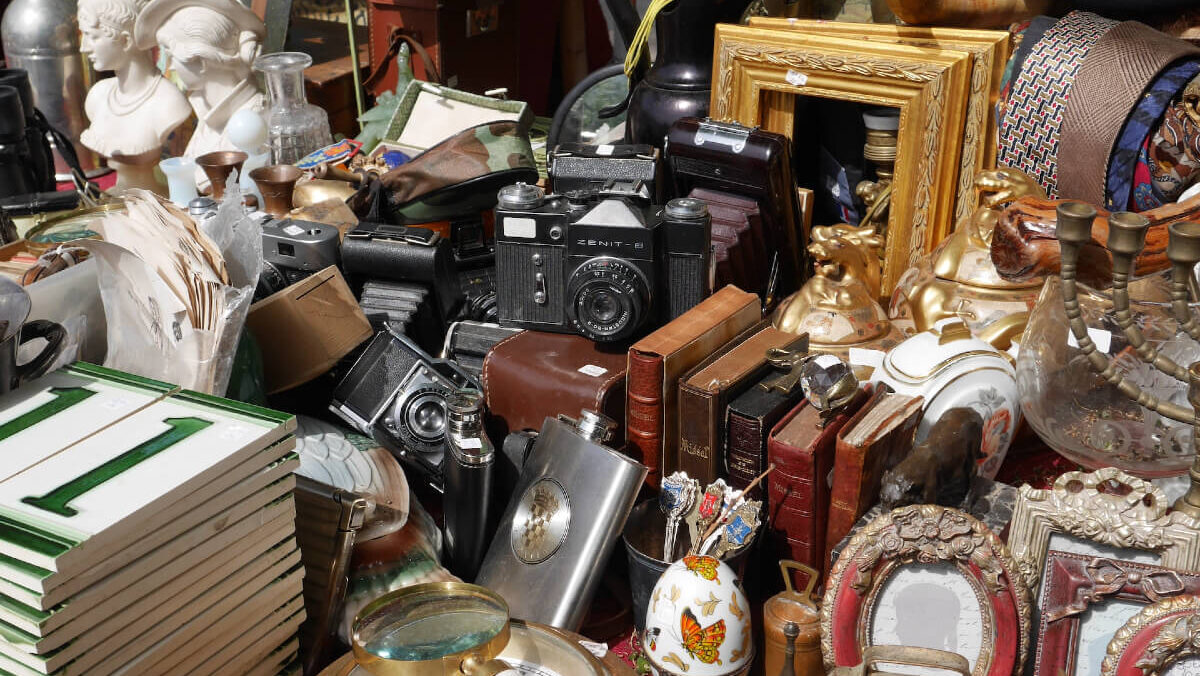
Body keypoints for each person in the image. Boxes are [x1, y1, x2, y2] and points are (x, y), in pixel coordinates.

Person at [133, 0, 266, 188]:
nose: (170, 67)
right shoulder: (206, 115)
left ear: (201, 62)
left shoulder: (255, 121)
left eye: (173, 58)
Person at [77, 0, 191, 191]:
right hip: (117, 199)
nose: (84, 47)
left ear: (126, 40)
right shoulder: (98, 96)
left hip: (153, 201)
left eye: (92, 37)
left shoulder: (169, 103)